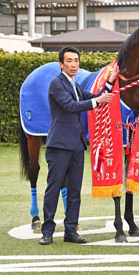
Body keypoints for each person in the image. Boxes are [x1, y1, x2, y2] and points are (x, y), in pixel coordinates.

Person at [40, 46, 118, 245]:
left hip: (76, 145)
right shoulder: (56, 85)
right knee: (53, 188)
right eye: (69, 61)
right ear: (61, 64)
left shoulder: (74, 85)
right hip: (59, 145)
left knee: (74, 191)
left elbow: (94, 98)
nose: (74, 64)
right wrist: (97, 101)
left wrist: (110, 82)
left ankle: (70, 230)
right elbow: (70, 106)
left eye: (76, 60)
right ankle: (47, 231)